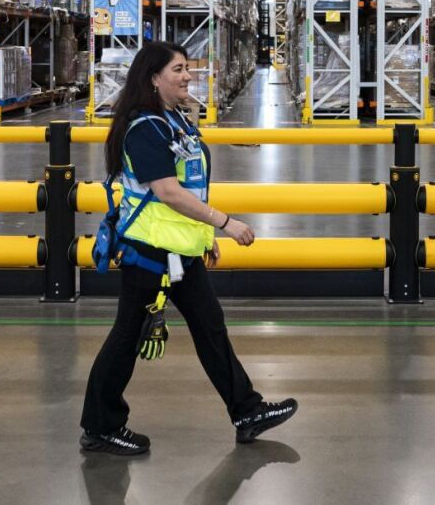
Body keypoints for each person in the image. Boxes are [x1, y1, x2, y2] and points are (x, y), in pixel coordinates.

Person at [80, 41, 298, 456]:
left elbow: (190, 186)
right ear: (153, 78)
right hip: (149, 251)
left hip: (179, 249)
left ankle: (247, 412)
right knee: (127, 337)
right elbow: (168, 193)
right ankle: (100, 426)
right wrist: (226, 223)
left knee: (210, 327)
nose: (187, 76)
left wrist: (204, 237)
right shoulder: (144, 129)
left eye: (186, 68)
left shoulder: (173, 122)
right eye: (177, 69)